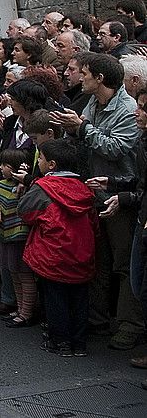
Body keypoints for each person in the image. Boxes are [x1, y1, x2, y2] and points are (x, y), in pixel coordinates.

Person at [51, 52, 144, 348]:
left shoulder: (128, 109)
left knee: (124, 263)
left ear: (100, 78)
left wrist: (82, 129)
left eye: (86, 73)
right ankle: (97, 318)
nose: (80, 77)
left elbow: (116, 148)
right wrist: (73, 131)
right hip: (95, 192)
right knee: (97, 259)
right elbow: (86, 140)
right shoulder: (92, 103)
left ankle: (131, 325)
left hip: (121, 196)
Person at [19, 138, 98, 356]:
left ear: (52, 164)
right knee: (80, 300)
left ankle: (60, 341)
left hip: (52, 255)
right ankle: (79, 343)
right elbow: (93, 223)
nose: (39, 162)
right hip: (82, 254)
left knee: (55, 299)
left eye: (41, 158)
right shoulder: (85, 190)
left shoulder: (43, 188)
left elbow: (25, 212)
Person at [0, 148, 38, 326]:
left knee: (24, 275)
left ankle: (26, 312)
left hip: (21, 237)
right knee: (12, 272)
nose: (0, 168)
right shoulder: (0, 185)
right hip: (4, 235)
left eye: (5, 165)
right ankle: (19, 307)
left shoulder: (26, 188)